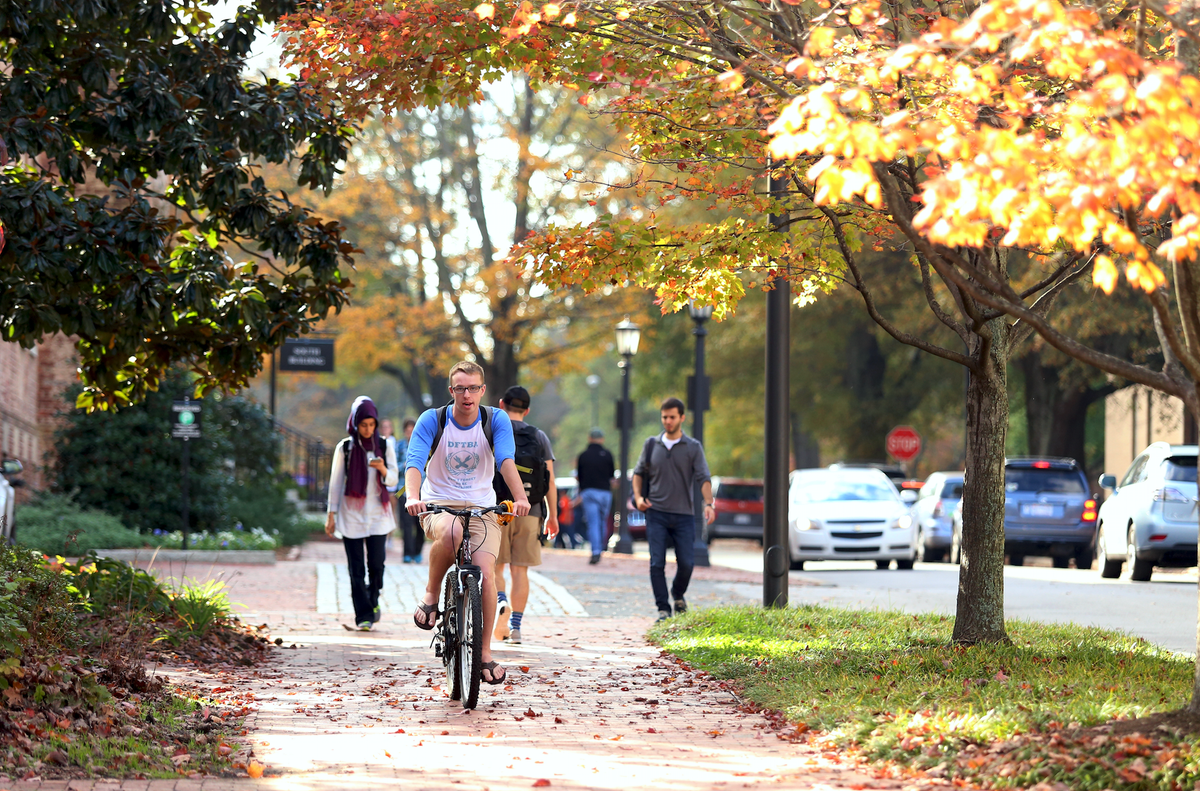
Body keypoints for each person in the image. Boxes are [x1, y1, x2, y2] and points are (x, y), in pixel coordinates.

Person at [404, 362, 530, 686]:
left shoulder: (495, 419)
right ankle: (432, 594)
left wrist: (520, 497)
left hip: (482, 507)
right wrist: (412, 496)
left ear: (482, 391)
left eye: (473, 388)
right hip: (437, 505)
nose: (467, 394)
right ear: (451, 391)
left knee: (487, 575)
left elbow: (505, 460)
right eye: (460, 388)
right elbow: (415, 461)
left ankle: (485, 653)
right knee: (452, 531)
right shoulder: (433, 420)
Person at [632, 397, 714, 622]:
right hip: (656, 512)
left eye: (672, 417)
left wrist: (708, 503)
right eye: (664, 417)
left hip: (684, 515)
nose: (667, 421)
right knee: (656, 562)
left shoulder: (693, 447)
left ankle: (678, 594)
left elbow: (703, 477)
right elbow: (638, 473)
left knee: (687, 562)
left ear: (682, 418)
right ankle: (663, 608)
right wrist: (639, 498)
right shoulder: (651, 445)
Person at [325, 396, 399, 631]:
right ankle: (363, 615)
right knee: (356, 569)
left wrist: (382, 468)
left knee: (376, 566)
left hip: (378, 514)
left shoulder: (385, 445)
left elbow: (394, 479)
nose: (368, 430)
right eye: (363, 425)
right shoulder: (345, 447)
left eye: (371, 425)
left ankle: (373, 599)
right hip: (351, 515)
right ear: (355, 424)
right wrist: (331, 514)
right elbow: (336, 483)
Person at [492, 386, 559, 645]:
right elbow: (549, 480)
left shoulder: (494, 431)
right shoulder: (538, 436)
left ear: (501, 404)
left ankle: (501, 601)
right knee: (520, 572)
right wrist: (552, 515)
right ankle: (516, 627)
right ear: (527, 410)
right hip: (531, 510)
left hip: (498, 510)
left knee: (495, 566)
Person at [576, 428, 615, 564]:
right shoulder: (608, 454)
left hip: (589, 492)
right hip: (605, 492)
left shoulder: (583, 455)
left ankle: (596, 551)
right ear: (602, 439)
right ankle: (602, 546)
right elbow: (611, 475)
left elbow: (579, 476)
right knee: (602, 522)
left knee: (593, 523)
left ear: (590, 438)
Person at [395, 417, 424, 563]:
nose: (410, 433)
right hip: (403, 490)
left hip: (422, 491)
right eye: (408, 431)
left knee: (420, 524)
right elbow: (393, 466)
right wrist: (405, 465)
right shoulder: (399, 446)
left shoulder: (424, 444)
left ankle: (418, 552)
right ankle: (407, 553)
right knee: (406, 524)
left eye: (413, 431)